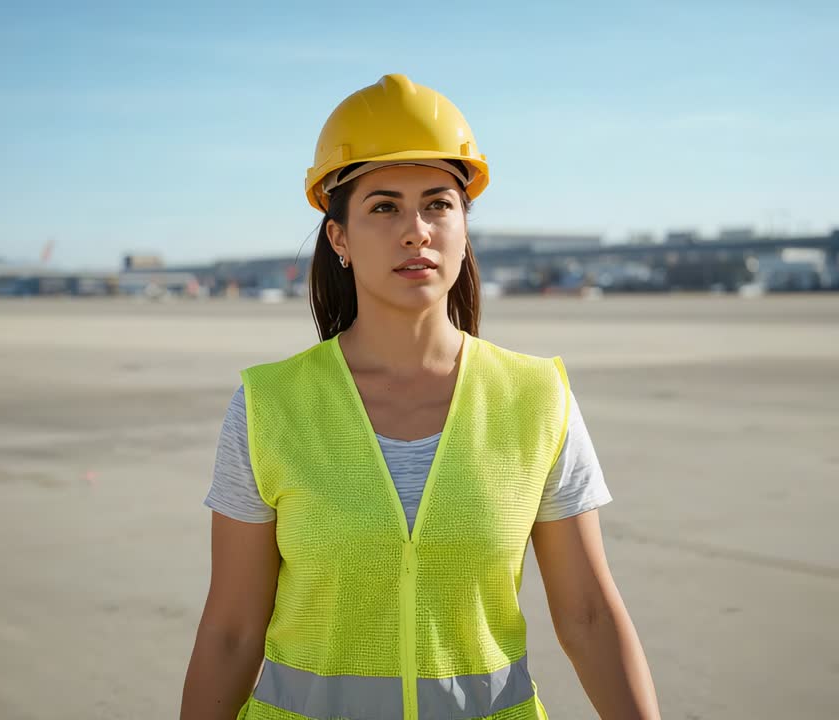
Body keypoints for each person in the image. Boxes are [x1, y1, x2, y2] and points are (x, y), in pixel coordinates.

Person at [181, 73, 660, 720]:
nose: (416, 231)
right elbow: (232, 631)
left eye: (438, 203)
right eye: (384, 207)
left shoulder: (537, 398)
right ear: (339, 239)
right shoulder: (270, 406)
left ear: (466, 227)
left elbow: (588, 616)